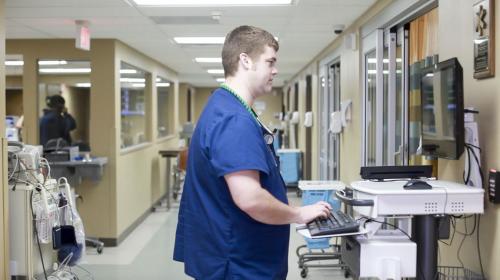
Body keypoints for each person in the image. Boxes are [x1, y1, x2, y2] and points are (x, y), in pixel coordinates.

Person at [173, 25, 332, 280]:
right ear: (245, 60)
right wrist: (299, 213)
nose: (275, 70)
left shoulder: (224, 106)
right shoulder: (233, 119)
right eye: (270, 62)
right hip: (239, 264)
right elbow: (251, 199)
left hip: (235, 256)